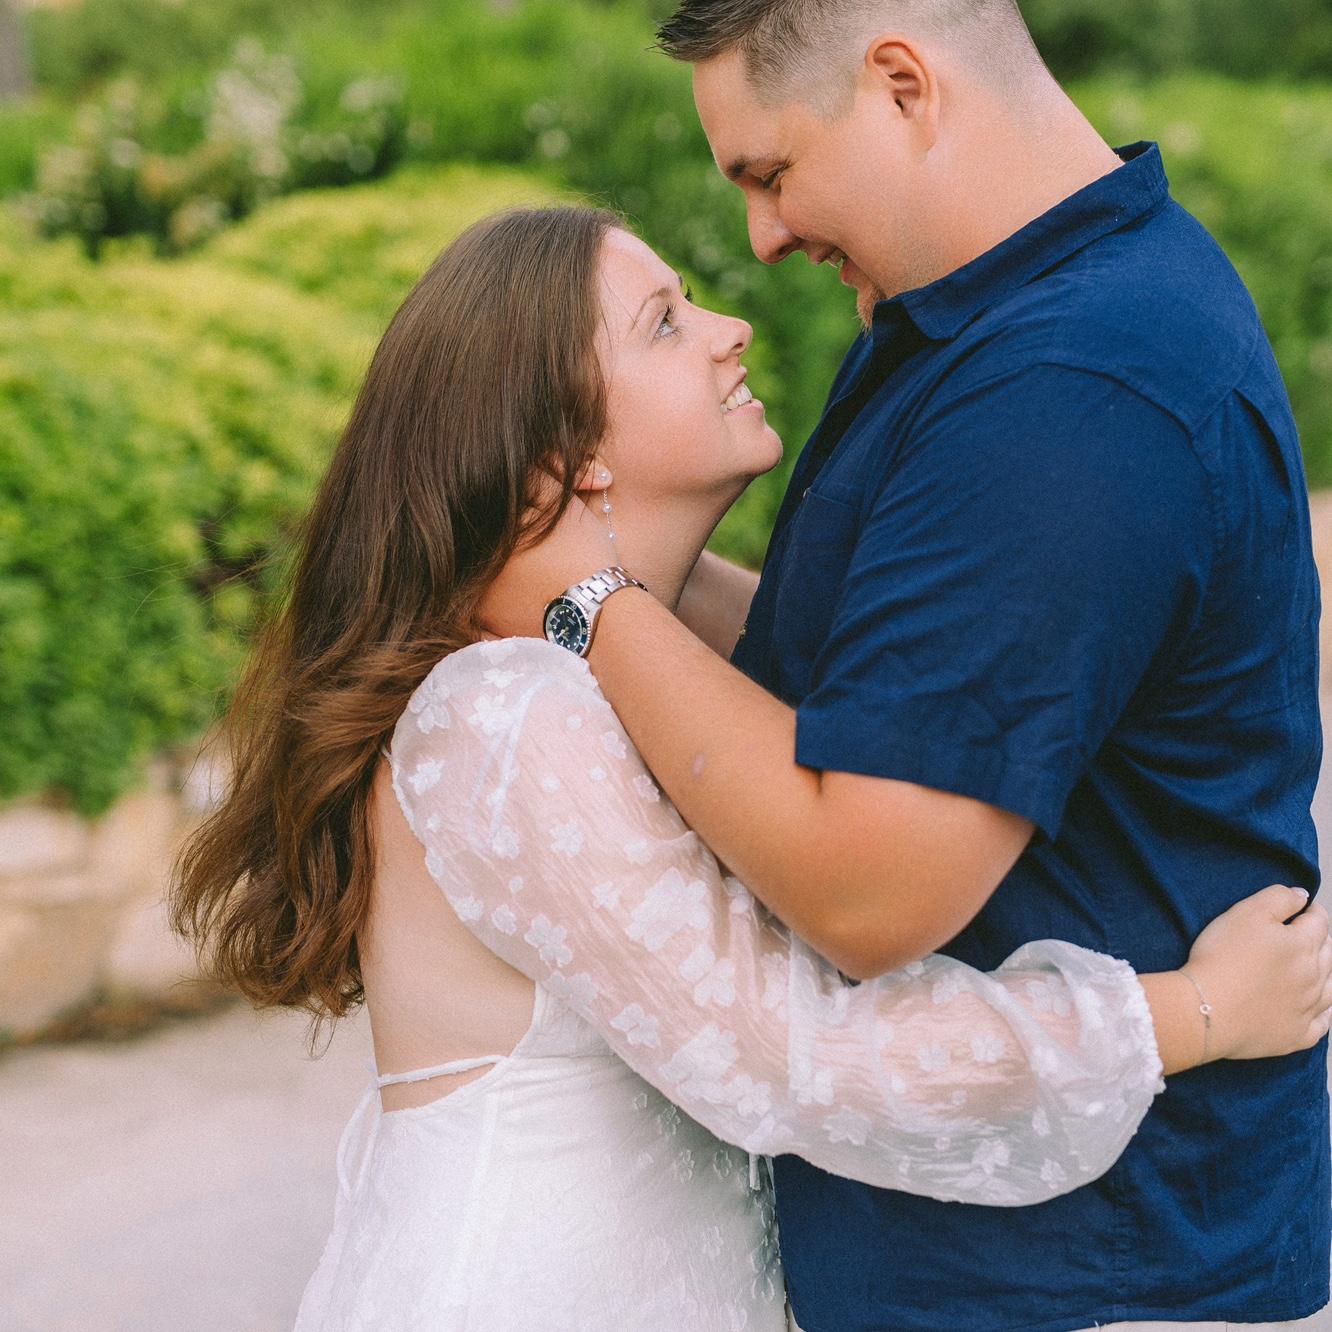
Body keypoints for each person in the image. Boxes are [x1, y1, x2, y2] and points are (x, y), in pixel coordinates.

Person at [170, 205, 1332, 1332]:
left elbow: (801, 672)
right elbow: (792, 1058)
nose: (731, 329)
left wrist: (593, 587)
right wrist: (1198, 1012)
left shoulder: (602, 669)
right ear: (563, 463)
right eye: (665, 324)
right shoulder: (507, 712)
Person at [472, 2, 1332, 1330]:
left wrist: (584, 599)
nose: (763, 236)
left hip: (1083, 1273)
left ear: (901, 85)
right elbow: (860, 682)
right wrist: (607, 568)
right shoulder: (989, 323)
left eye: (771, 172)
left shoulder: (1068, 385)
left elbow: (870, 890)